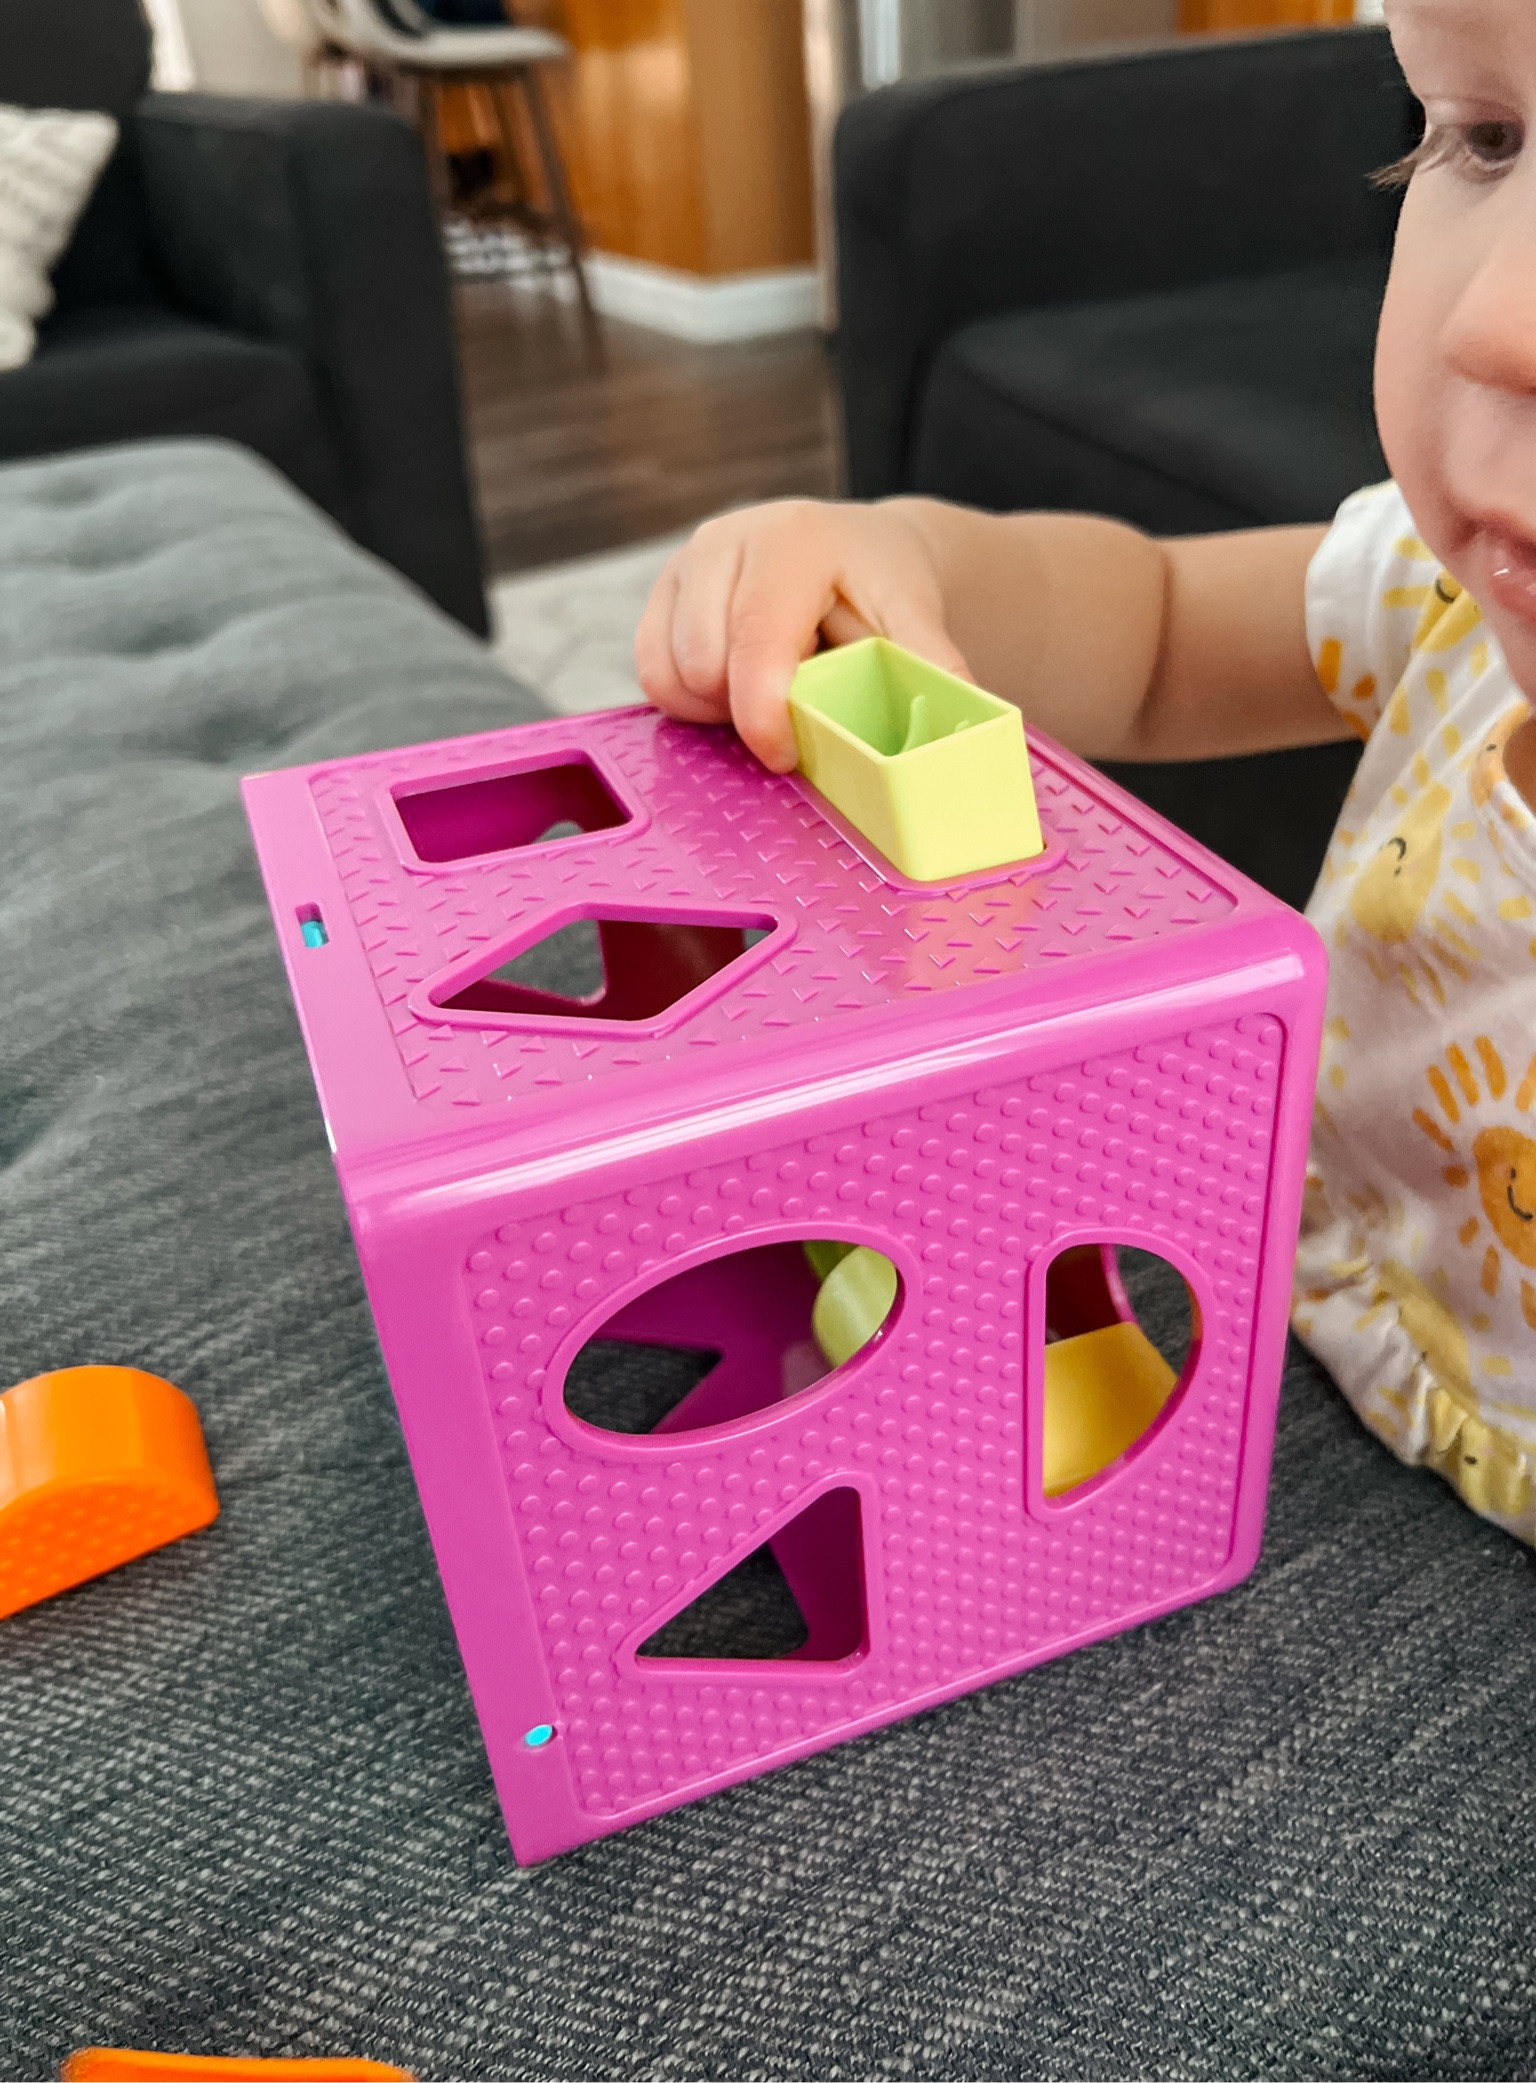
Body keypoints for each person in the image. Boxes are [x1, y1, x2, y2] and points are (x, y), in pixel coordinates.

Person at [634, 0, 1536, 1544]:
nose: (1493, 320)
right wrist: (898, 559)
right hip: (1287, 1305)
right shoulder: (1445, 602)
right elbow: (1161, 626)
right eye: (1484, 135)